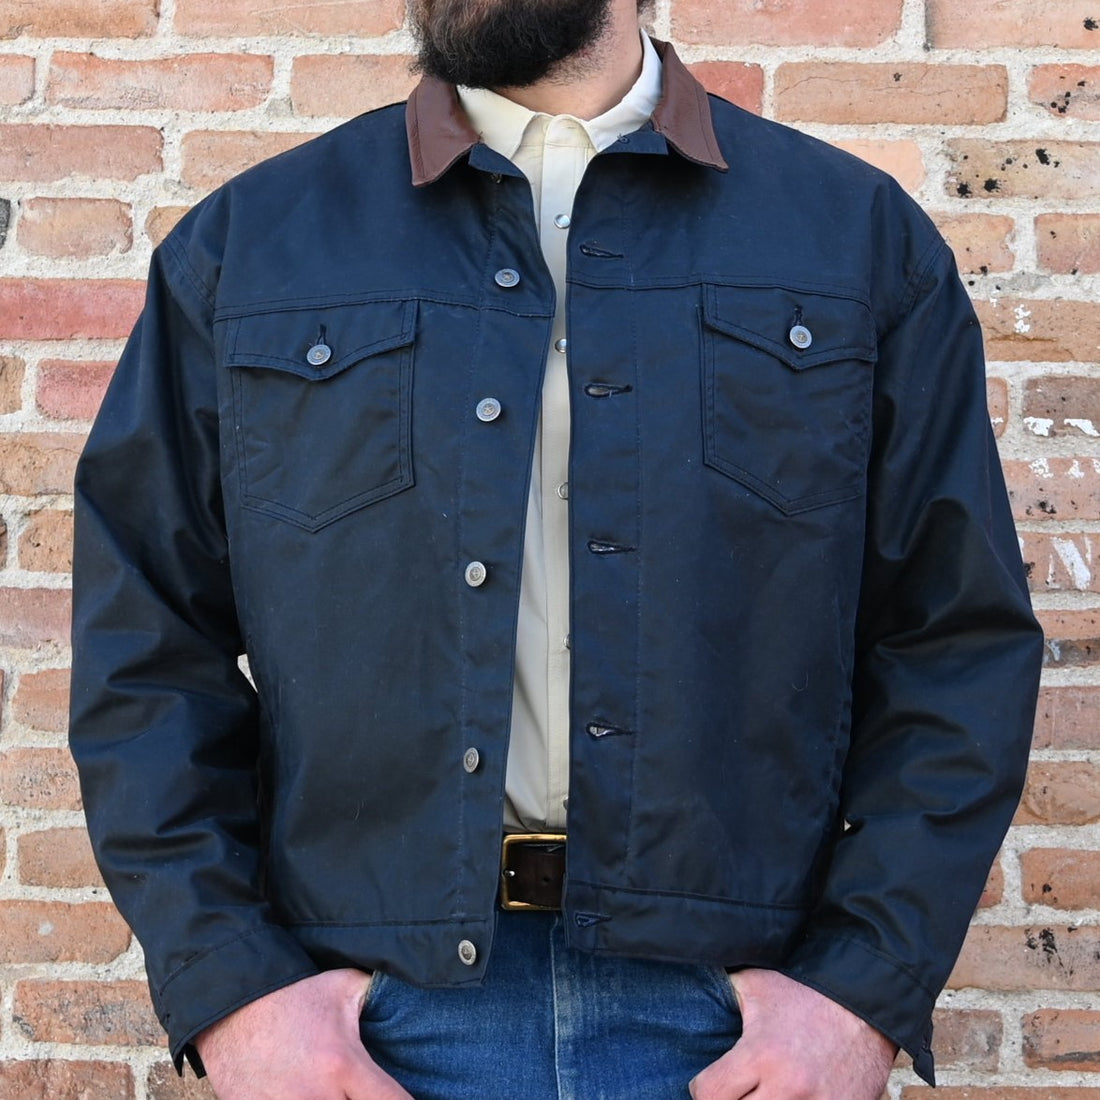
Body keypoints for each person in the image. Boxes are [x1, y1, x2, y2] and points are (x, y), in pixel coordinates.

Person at [68, 0, 1045, 1096]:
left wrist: (857, 993)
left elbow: (953, 640)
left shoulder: (847, 237)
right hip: (372, 1025)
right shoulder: (252, 247)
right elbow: (144, 648)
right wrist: (237, 990)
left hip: (729, 1025)